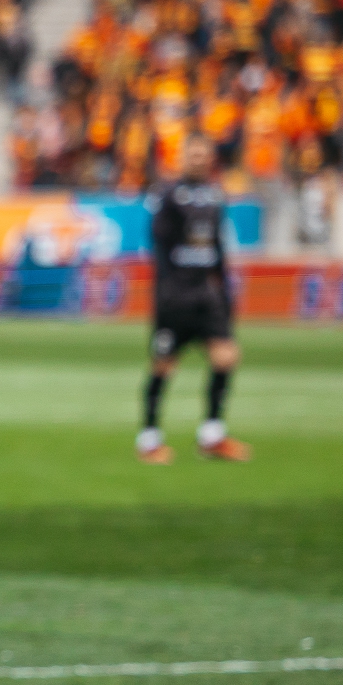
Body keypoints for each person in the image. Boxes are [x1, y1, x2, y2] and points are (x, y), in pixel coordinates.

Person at [138, 137, 250, 464]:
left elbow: (218, 247)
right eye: (193, 154)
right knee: (163, 365)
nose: (199, 159)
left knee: (226, 356)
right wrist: (164, 293)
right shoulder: (168, 195)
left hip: (206, 293)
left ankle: (212, 435)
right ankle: (149, 438)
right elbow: (159, 247)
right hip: (176, 295)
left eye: (204, 155)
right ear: (183, 157)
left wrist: (224, 292)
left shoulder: (215, 195)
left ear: (211, 159)